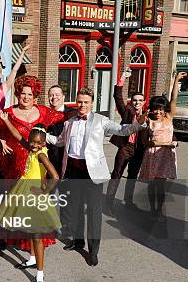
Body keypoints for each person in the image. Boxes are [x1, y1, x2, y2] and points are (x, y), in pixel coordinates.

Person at [46, 87, 147, 266]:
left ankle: (93, 251)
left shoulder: (101, 120)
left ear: (91, 103)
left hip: (92, 173)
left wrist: (138, 124)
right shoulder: (69, 122)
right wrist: (43, 136)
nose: (82, 105)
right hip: (73, 171)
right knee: (75, 208)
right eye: (79, 102)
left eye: (85, 102)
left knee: (93, 212)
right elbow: (60, 141)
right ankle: (78, 241)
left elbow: (122, 130)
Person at [0, 116, 61, 282]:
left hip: (34, 195)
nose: (32, 145)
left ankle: (40, 275)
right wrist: (5, 120)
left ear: (43, 142)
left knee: (37, 235)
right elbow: (18, 137)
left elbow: (55, 176)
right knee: (29, 228)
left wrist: (44, 193)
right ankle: (32, 259)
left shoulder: (40, 155)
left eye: (36, 142)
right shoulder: (32, 150)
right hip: (23, 191)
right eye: (31, 142)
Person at [138, 73, 185, 222]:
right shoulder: (150, 121)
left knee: (162, 185)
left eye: (160, 109)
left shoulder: (169, 117)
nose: (158, 112)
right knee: (153, 185)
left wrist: (176, 81)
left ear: (164, 109)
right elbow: (141, 130)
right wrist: (143, 115)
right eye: (155, 109)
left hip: (166, 156)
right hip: (153, 156)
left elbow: (174, 99)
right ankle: (153, 210)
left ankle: (159, 211)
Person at [106, 71, 147, 212]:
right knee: (116, 174)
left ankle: (128, 202)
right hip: (126, 147)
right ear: (131, 102)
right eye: (135, 100)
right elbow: (117, 97)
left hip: (139, 150)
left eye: (140, 100)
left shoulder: (148, 116)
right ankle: (109, 203)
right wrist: (122, 79)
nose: (137, 103)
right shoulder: (128, 112)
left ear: (144, 102)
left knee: (132, 176)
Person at [46, 85, 77, 174]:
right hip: (49, 161)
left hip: (68, 161)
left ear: (63, 97)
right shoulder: (44, 114)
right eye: (51, 95)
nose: (54, 97)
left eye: (57, 94)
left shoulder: (73, 114)